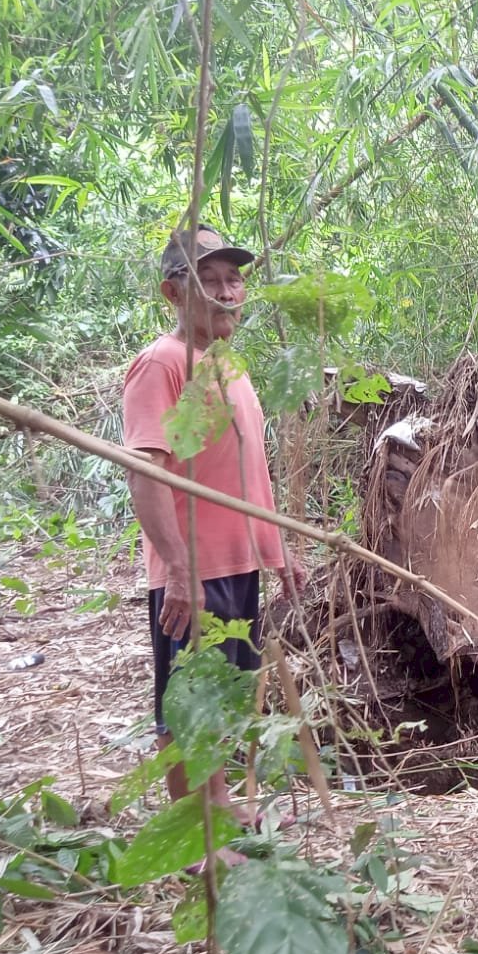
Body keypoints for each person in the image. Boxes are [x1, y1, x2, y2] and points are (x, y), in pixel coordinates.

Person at [122, 224, 303, 844]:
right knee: (187, 708)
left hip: (238, 564)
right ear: (174, 293)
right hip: (194, 570)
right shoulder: (164, 363)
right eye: (211, 280)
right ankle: (195, 842)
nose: (229, 293)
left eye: (235, 279)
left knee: (223, 699)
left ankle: (220, 810)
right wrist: (177, 568)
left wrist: (278, 552)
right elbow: (146, 474)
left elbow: (249, 469)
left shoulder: (228, 364)